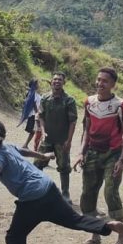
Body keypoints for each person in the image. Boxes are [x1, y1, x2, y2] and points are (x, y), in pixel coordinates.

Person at [74, 67, 123, 244]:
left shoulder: (121, 105)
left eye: (105, 81)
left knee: (110, 192)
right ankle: (95, 234)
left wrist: (121, 160)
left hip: (113, 154)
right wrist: (81, 153)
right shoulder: (89, 102)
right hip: (92, 152)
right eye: (99, 79)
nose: (100, 84)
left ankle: (122, 238)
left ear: (113, 84)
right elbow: (86, 130)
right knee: (87, 194)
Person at [35, 72, 78, 202]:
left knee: (64, 167)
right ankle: (38, 191)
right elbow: (41, 116)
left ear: (64, 82)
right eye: (55, 79)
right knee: (38, 165)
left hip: (62, 140)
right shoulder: (45, 98)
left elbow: (72, 122)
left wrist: (69, 141)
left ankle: (65, 194)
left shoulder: (69, 100)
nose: (57, 81)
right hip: (47, 139)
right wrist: (42, 132)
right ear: (51, 82)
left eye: (60, 80)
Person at [19, 79, 41, 148]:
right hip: (33, 115)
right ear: (34, 85)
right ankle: (26, 145)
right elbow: (34, 104)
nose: (38, 85)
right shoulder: (32, 94)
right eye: (37, 84)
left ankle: (26, 145)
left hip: (34, 114)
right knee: (33, 131)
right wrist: (37, 113)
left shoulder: (34, 93)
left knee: (34, 131)